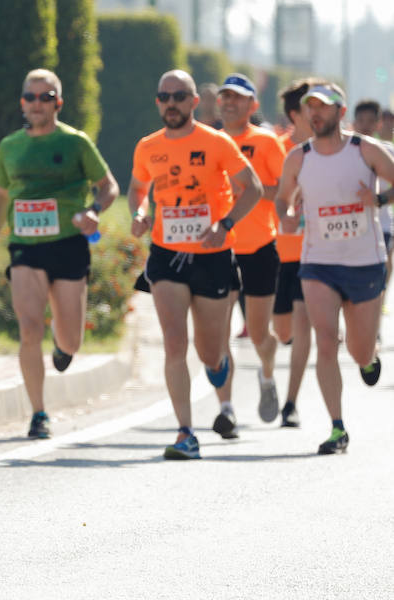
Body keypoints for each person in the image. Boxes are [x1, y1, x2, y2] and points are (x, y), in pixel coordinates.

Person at [128, 69, 262, 460]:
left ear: (193, 102)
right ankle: (186, 432)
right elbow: (138, 187)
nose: (171, 103)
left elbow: (251, 187)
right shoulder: (147, 146)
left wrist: (226, 224)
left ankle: (219, 362)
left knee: (208, 353)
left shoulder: (216, 143)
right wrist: (139, 212)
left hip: (213, 255)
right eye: (164, 96)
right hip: (167, 255)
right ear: (158, 103)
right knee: (174, 342)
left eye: (179, 96)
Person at [0, 68, 119, 439]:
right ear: (22, 102)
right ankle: (39, 412)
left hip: (69, 244)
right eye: (30, 97)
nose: (36, 104)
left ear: (58, 102)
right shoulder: (9, 146)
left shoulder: (76, 143)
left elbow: (108, 186)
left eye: (45, 97)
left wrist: (93, 211)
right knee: (29, 328)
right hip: (25, 247)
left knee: (72, 340)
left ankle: (63, 344)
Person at [275, 83, 394, 455]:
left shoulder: (365, 150)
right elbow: (283, 198)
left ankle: (368, 358)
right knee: (325, 341)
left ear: (340, 113)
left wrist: (375, 200)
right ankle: (337, 428)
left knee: (358, 351)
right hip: (318, 263)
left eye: (323, 108)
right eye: (311, 107)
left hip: (364, 262)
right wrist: (289, 216)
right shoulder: (299, 156)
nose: (315, 113)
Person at [212, 73, 286, 436]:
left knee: (259, 334)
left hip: (258, 247)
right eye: (225, 97)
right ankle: (226, 409)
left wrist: (249, 188)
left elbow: (286, 192)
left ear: (252, 105)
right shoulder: (208, 141)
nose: (230, 103)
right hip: (219, 248)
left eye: (238, 98)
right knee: (218, 332)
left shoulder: (267, 142)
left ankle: (267, 374)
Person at [272, 79, 321, 428]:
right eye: (310, 107)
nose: (317, 113)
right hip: (280, 252)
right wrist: (285, 209)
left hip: (317, 253)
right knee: (282, 331)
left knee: (304, 326)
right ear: (295, 114)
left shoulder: (333, 147)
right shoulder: (278, 149)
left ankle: (291, 402)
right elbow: (265, 193)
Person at [351, 99, 394, 313]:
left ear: (378, 124)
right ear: (353, 122)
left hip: (380, 228)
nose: (365, 125)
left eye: (370, 121)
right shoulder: (341, 152)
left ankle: (373, 325)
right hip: (348, 229)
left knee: (375, 281)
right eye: (360, 120)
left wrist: (379, 199)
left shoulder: (388, 152)